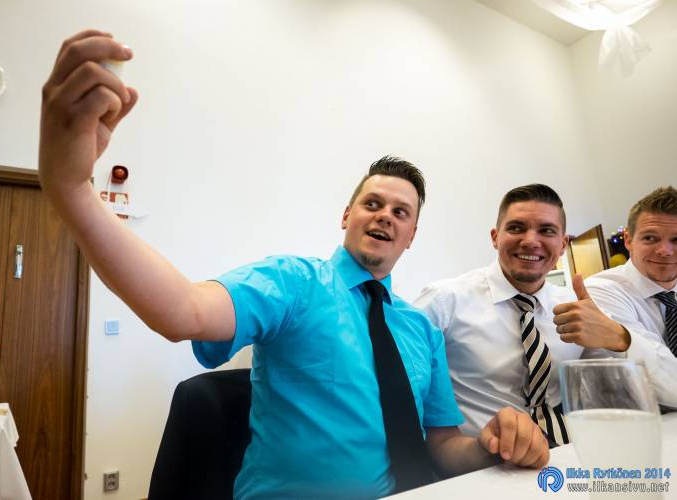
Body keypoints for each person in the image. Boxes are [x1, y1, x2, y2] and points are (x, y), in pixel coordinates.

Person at [39, 30, 549, 499]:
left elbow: (441, 446)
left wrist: (490, 445)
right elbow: (183, 310)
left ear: (411, 236)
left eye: (401, 213)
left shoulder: (421, 328)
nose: (385, 217)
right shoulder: (294, 283)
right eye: (372, 204)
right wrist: (73, 189)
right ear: (347, 215)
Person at [415, 184, 628, 444]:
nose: (530, 241)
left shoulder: (576, 307)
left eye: (546, 231)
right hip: (485, 459)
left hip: (569, 452)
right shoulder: (444, 302)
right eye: (516, 228)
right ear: (495, 237)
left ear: (563, 244)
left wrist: (617, 337)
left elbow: (614, 385)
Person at [585, 186, 677, 408]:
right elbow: (663, 386)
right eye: (650, 238)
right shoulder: (600, 291)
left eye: (676, 240)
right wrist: (624, 338)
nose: (665, 250)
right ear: (628, 240)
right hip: (633, 425)